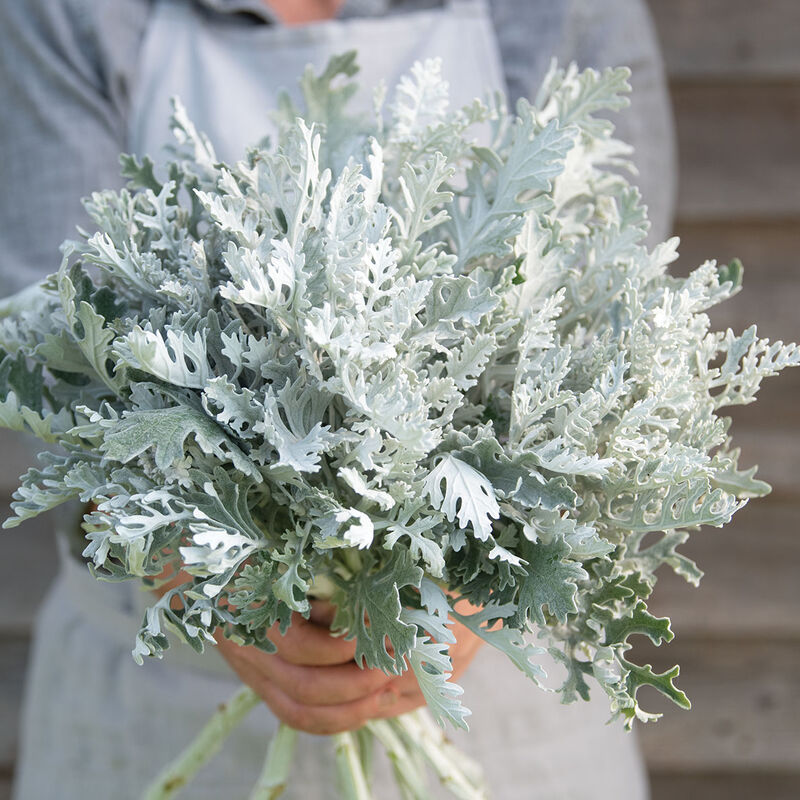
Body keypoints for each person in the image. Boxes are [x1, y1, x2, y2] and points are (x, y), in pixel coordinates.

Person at [0, 1, 674, 797]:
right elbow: (47, 344)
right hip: (158, 689)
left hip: (492, 696)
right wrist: (201, 573)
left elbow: (616, 331)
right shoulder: (73, 12)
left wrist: (482, 583)